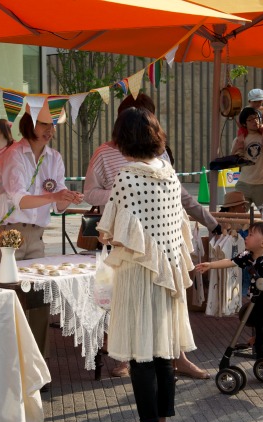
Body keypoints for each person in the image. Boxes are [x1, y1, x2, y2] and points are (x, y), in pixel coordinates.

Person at [84, 93, 215, 380]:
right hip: (123, 241)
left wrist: (210, 221)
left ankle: (177, 356)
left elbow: (180, 197)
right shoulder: (104, 153)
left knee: (168, 299)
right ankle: (122, 356)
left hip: (162, 242)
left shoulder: (162, 157)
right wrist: (124, 197)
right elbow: (89, 193)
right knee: (119, 298)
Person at [97, 107, 195, 422]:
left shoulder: (126, 176)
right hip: (168, 271)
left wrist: (104, 234)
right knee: (163, 350)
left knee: (142, 353)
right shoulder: (169, 172)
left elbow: (110, 230)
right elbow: (179, 226)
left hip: (139, 274)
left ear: (122, 139)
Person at [0, 103, 83, 264]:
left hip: (37, 235)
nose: (50, 130)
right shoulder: (14, 154)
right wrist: (54, 196)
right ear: (29, 123)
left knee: (35, 286)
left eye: (53, 125)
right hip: (8, 231)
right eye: (44, 123)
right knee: (3, 284)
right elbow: (20, 200)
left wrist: (68, 197)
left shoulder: (54, 158)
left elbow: (58, 207)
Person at [195, 221, 263, 345]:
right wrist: (211, 265)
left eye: (251, 235)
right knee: (257, 318)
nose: (246, 236)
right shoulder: (248, 256)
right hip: (258, 297)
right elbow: (230, 262)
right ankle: (259, 338)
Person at [231, 107, 263, 208]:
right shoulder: (239, 140)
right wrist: (235, 149)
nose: (255, 121)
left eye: (257, 118)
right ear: (244, 123)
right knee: (236, 217)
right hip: (243, 184)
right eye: (251, 119)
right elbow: (232, 163)